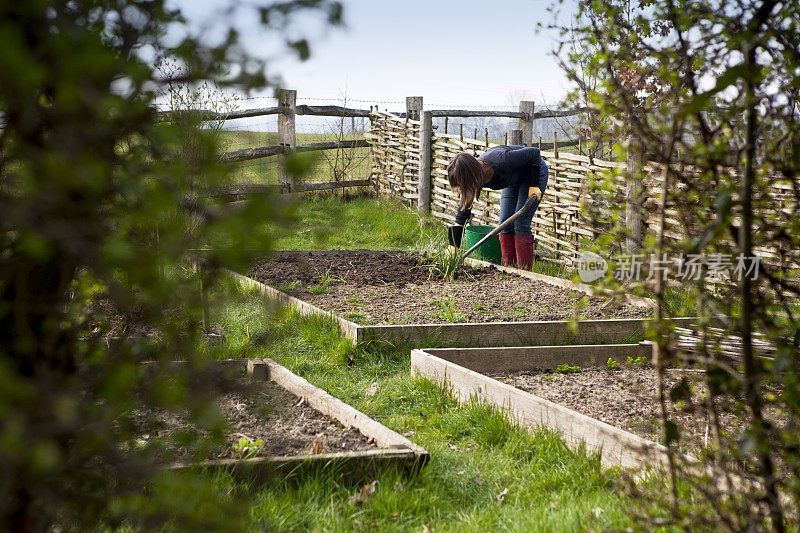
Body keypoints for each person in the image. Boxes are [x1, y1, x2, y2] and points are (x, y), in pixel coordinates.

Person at [446, 146, 549, 269]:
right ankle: (509, 270)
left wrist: (534, 184)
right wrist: (454, 245)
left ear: (471, 174)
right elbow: (463, 209)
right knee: (505, 224)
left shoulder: (501, 160)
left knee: (520, 224)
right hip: (512, 179)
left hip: (532, 173)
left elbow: (534, 153)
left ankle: (525, 273)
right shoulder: (473, 177)